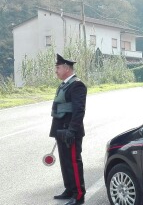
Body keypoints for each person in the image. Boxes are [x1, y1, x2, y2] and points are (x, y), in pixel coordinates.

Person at [50, 54, 87, 205]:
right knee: (65, 163)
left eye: (58, 68)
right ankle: (69, 189)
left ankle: (79, 195)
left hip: (70, 131)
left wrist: (72, 130)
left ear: (66, 68)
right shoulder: (64, 84)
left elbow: (79, 110)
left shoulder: (77, 85)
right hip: (61, 131)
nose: (56, 71)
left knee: (73, 162)